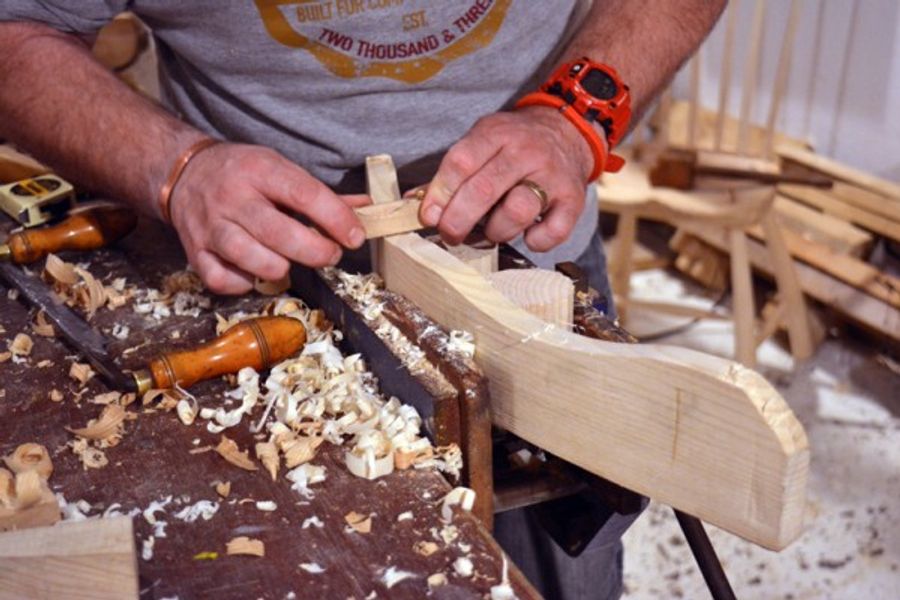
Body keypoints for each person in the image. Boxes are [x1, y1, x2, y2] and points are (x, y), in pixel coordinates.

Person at [0, 2, 724, 597]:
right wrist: (176, 167)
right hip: (261, 292)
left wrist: (572, 117)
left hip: (530, 277)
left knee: (566, 562)